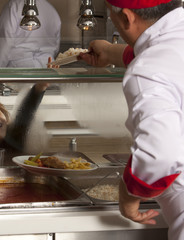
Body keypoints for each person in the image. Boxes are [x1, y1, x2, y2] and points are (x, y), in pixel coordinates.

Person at [79, 1, 184, 239]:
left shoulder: (147, 71)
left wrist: (129, 196)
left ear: (126, 18)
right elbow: (168, 54)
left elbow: (161, 155)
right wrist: (110, 52)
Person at [0, 0, 61, 68]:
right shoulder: (51, 9)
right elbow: (56, 47)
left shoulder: (13, 5)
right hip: (48, 67)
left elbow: (3, 46)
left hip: (20, 69)